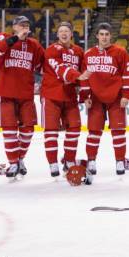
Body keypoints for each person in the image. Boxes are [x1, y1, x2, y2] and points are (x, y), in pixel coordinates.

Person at [0, 16, 45, 178]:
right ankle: (13, 163)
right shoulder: (4, 37)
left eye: (27, 25)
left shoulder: (34, 45)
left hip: (26, 94)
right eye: (21, 25)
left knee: (28, 130)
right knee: (10, 130)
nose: (25, 28)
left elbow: (44, 66)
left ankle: (19, 159)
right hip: (6, 93)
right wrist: (15, 39)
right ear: (14, 27)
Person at [79, 22, 129, 176]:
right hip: (96, 99)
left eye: (107, 34)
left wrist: (126, 95)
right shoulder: (89, 54)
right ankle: (91, 160)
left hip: (116, 98)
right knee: (93, 131)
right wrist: (85, 96)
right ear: (97, 36)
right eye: (101, 34)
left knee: (118, 131)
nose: (104, 37)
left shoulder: (120, 52)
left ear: (111, 36)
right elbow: (84, 77)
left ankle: (119, 161)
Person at [41, 22, 89, 177]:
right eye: (60, 31)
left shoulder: (78, 51)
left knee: (75, 129)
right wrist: (76, 76)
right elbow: (60, 68)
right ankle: (52, 163)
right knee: (51, 131)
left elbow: (84, 75)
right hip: (51, 96)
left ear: (71, 34)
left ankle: (69, 160)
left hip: (70, 97)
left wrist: (85, 95)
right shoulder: (51, 50)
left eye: (66, 31)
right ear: (57, 34)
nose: (63, 33)